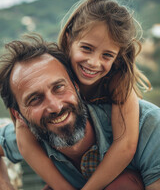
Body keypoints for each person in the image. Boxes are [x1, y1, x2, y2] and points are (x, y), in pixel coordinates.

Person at [16, 0, 151, 189]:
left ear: (118, 57)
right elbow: (24, 141)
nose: (94, 63)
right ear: (70, 38)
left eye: (107, 55)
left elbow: (125, 145)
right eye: (87, 49)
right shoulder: (53, 73)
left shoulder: (118, 83)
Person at [0, 35, 159, 190]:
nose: (55, 107)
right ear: (18, 115)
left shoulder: (149, 128)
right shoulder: (30, 137)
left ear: (76, 86)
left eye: (59, 87)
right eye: (35, 99)